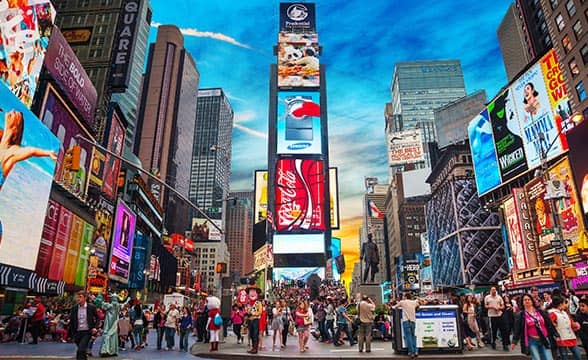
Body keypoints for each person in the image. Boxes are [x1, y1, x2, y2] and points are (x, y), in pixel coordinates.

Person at [511, 293, 559, 360]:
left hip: (544, 339)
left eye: (529, 299)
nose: (527, 301)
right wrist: (514, 342)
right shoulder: (520, 315)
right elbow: (517, 329)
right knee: (536, 358)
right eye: (525, 300)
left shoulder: (541, 312)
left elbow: (549, 324)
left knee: (548, 358)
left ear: (532, 301)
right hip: (532, 341)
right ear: (522, 302)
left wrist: (556, 334)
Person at [69, 291, 99, 360]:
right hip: (77, 333)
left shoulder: (91, 307)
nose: (78, 299)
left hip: (87, 332)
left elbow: (98, 318)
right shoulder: (74, 308)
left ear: (85, 298)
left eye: (80, 297)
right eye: (77, 297)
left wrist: (95, 327)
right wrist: (72, 334)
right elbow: (72, 322)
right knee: (82, 352)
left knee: (80, 350)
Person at [396, 293, 420, 359]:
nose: (403, 297)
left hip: (406, 321)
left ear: (406, 296)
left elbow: (395, 306)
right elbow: (418, 305)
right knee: (413, 336)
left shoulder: (402, 302)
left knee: (408, 337)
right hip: (413, 321)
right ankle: (415, 351)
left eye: (404, 296)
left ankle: (411, 352)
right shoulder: (414, 302)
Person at [484, 286, 507, 350]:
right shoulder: (487, 297)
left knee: (503, 330)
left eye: (495, 290)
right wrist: (492, 307)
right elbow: (485, 306)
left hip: (499, 315)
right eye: (492, 290)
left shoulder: (499, 297)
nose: (494, 291)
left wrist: (499, 308)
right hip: (492, 316)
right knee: (493, 331)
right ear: (490, 291)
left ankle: (505, 344)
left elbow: (503, 306)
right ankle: (493, 342)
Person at [245, 286, 263, 354]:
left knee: (255, 334)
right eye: (250, 292)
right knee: (251, 334)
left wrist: (253, 313)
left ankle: (255, 348)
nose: (252, 293)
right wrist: (246, 313)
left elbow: (260, 311)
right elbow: (246, 310)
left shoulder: (258, 303)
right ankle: (253, 347)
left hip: (255, 320)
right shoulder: (248, 303)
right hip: (250, 320)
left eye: (253, 291)